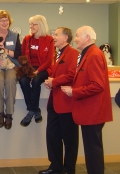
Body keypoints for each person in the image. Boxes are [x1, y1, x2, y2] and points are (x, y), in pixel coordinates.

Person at [61, 26, 113, 174]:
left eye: (77, 36)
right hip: (89, 111)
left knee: (93, 151)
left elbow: (97, 85)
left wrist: (74, 91)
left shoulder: (94, 54)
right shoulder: (87, 53)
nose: (75, 39)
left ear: (87, 38)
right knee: (91, 150)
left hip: (93, 111)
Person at [40, 27, 79, 174]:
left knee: (69, 139)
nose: (53, 37)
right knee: (53, 136)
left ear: (66, 38)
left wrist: (54, 81)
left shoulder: (73, 53)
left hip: (67, 103)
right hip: (54, 103)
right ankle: (55, 166)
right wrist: (50, 82)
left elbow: (72, 74)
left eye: (56, 35)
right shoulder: (58, 54)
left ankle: (69, 169)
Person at [0, 10, 21, 130]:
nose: (4, 22)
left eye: (6, 20)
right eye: (2, 20)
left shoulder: (15, 36)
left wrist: (6, 51)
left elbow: (18, 55)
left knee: (11, 80)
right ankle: (0, 112)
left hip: (11, 65)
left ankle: (9, 114)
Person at [19, 15, 54, 127]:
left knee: (36, 81)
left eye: (33, 24)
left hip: (44, 68)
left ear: (41, 25)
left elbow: (49, 60)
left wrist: (38, 71)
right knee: (23, 81)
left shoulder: (49, 40)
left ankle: (31, 111)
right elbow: (23, 56)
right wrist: (29, 69)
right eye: (30, 24)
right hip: (29, 67)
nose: (31, 26)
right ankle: (34, 110)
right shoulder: (27, 39)